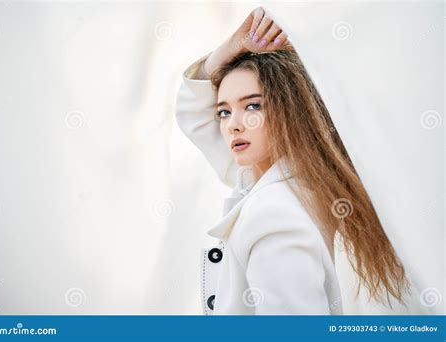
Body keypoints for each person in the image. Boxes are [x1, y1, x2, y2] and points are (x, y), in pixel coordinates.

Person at [175, 6, 410, 315]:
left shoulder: (272, 214)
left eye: (253, 106)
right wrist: (231, 48)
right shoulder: (299, 181)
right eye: (224, 111)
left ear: (291, 111)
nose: (233, 124)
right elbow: (193, 113)